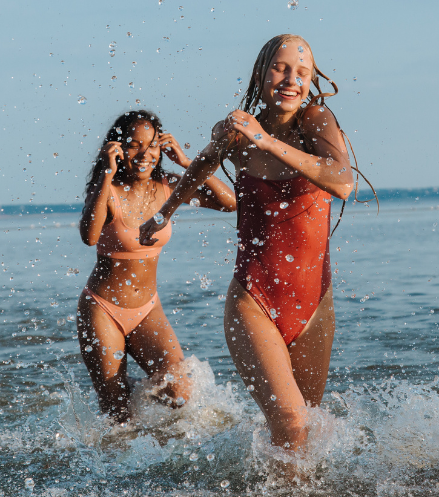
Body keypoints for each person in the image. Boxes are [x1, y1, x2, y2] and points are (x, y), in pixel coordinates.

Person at [140, 35, 355, 453]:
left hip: (315, 303)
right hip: (253, 300)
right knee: (292, 426)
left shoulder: (315, 120)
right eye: (280, 67)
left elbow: (342, 181)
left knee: (308, 432)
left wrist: (267, 140)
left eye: (302, 72)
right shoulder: (237, 131)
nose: (291, 79)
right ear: (260, 72)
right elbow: (203, 162)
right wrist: (165, 211)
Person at [78, 110, 236, 423]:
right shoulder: (108, 191)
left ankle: (131, 389)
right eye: (135, 145)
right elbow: (89, 236)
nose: (145, 153)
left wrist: (188, 163)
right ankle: (119, 401)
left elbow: (229, 203)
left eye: (151, 145)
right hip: (103, 309)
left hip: (148, 310)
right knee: (116, 415)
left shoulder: (169, 186)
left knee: (179, 392)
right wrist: (106, 174)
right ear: (119, 149)